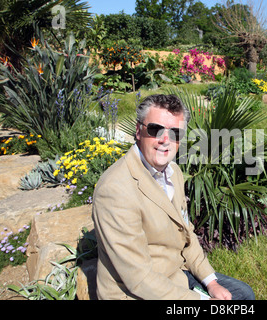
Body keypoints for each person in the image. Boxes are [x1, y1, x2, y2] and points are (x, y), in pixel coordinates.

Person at [92, 94, 255, 300]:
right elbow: (139, 279)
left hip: (176, 276)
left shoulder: (173, 172)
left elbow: (187, 233)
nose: (165, 140)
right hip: (136, 293)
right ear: (138, 131)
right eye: (155, 129)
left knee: (243, 295)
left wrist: (211, 282)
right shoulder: (116, 190)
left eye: (175, 133)